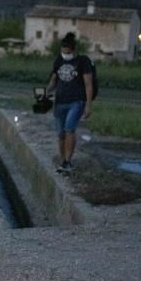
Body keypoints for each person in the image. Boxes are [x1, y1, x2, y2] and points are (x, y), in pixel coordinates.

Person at [43, 32, 93, 174]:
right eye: (63, 52)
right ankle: (63, 159)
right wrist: (45, 93)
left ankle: (67, 162)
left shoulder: (83, 62)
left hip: (76, 102)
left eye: (68, 52)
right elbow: (53, 80)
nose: (65, 54)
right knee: (60, 134)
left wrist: (88, 105)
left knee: (69, 129)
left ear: (73, 50)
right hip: (59, 102)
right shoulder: (59, 60)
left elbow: (88, 84)